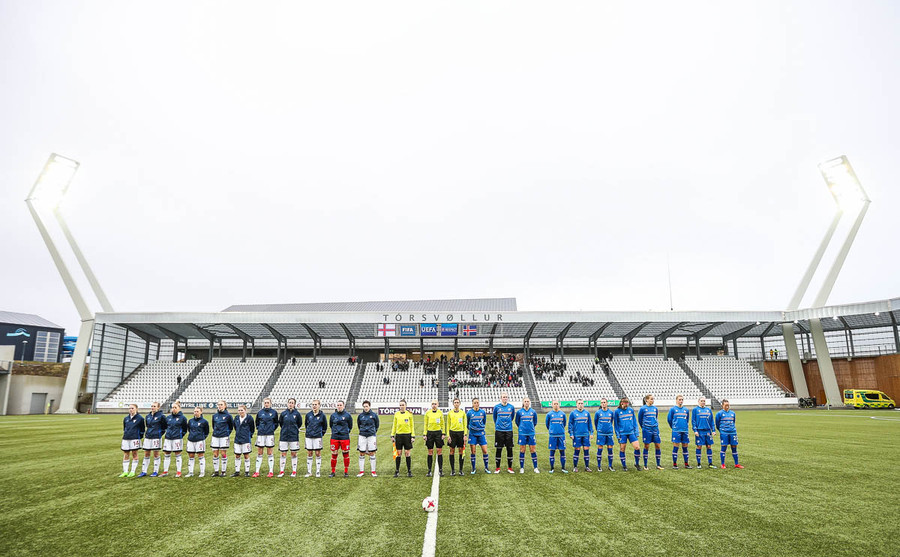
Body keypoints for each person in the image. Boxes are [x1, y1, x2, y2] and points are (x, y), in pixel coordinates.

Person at [161, 401, 188, 477]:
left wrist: (180, 435)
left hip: (177, 439)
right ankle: (165, 471)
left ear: (179, 408)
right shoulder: (168, 418)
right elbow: (165, 427)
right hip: (168, 438)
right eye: (172, 407)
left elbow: (185, 429)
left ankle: (178, 472)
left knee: (178, 454)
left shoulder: (183, 418)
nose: (173, 409)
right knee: (166, 454)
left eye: (175, 407)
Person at [613, 397, 641, 471]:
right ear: (621, 403)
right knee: (622, 448)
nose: (627, 404)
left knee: (637, 447)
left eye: (627, 403)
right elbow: (616, 424)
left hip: (631, 432)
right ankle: (624, 465)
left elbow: (634, 421)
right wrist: (618, 435)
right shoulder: (617, 411)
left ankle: (637, 463)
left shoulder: (630, 410)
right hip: (622, 433)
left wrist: (636, 431)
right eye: (625, 403)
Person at [139, 401, 166, 477]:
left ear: (158, 407)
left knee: (156, 454)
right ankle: (144, 471)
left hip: (156, 437)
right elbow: (147, 426)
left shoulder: (162, 416)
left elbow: (164, 427)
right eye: (152, 406)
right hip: (148, 437)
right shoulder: (148, 416)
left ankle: (155, 471)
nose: (152, 408)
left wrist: (159, 433)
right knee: (146, 453)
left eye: (154, 406)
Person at [254, 398, 279, 478]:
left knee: (270, 452)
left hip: (269, 434)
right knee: (259, 452)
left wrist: (272, 429)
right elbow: (257, 422)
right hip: (261, 434)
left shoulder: (274, 412)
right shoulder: (260, 412)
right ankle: (257, 471)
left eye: (268, 402)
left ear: (270, 403)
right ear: (263, 403)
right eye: (265, 403)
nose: (266, 404)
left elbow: (276, 423)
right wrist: (260, 428)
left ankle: (271, 471)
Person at [278, 398, 303, 477]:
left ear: (294, 404)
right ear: (287, 404)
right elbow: (281, 423)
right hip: (284, 436)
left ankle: (294, 471)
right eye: (289, 402)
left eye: (292, 403)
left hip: (293, 436)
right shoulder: (283, 413)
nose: (290, 404)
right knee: (283, 453)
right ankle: (281, 471)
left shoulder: (297, 414)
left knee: (294, 453)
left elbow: (299, 423)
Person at [390, 399, 416, 477]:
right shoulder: (396, 414)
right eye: (400, 405)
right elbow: (394, 425)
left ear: (406, 405)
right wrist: (392, 435)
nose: (401, 406)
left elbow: (412, 425)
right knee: (399, 453)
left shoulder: (409, 414)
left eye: (403, 405)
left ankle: (409, 471)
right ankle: (397, 471)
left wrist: (413, 436)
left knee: (407, 453)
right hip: (399, 436)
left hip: (407, 435)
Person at [638, 394, 663, 470]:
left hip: (655, 429)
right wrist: (644, 427)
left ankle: (658, 464)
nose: (653, 400)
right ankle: (645, 465)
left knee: (658, 445)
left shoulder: (655, 408)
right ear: (647, 400)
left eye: (653, 399)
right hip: (646, 430)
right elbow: (640, 419)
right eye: (651, 399)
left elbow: (656, 417)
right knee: (646, 446)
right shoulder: (642, 409)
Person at [328, 400, 353, 478]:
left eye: (340, 405)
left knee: (345, 453)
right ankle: (333, 471)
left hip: (344, 437)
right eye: (338, 405)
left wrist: (345, 432)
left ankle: (346, 471)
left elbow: (350, 426)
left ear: (343, 406)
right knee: (334, 453)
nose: (339, 407)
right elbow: (331, 425)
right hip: (335, 437)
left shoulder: (348, 415)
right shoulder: (333, 415)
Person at [568, 399, 594, 472]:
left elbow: (590, 423)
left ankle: (587, 467)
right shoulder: (573, 413)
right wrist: (571, 433)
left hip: (586, 435)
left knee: (586, 450)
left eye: (582, 403)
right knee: (577, 450)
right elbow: (570, 424)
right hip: (577, 435)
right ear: (576, 404)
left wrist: (591, 433)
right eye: (579, 403)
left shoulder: (587, 413)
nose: (580, 405)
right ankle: (575, 467)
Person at [466, 398, 491, 474]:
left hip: (481, 434)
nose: (476, 404)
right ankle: (473, 468)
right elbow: (467, 423)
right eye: (475, 403)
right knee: (473, 451)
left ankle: (486, 467)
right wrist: (472, 429)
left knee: (485, 451)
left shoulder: (482, 412)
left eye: (477, 402)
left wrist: (480, 428)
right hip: (472, 434)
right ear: (472, 404)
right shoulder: (469, 413)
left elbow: (484, 422)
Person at [210, 400, 234, 477]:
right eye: (218, 404)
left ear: (225, 406)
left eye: (221, 404)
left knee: (223, 454)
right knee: (215, 454)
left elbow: (231, 427)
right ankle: (216, 471)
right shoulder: (214, 416)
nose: (219, 406)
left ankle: (223, 471)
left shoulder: (228, 416)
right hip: (215, 436)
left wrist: (226, 433)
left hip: (224, 437)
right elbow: (213, 426)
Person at [715, 400, 742, 469]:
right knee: (724, 447)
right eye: (725, 405)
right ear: (722, 405)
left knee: (734, 447)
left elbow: (733, 422)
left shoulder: (733, 413)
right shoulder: (719, 413)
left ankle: (736, 464)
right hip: (724, 433)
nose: (727, 406)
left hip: (733, 432)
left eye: (728, 405)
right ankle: (722, 464)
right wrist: (721, 430)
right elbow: (717, 424)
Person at [515, 397, 539, 473]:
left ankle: (535, 468)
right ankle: (522, 468)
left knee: (533, 450)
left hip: (531, 433)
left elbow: (535, 422)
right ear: (523, 402)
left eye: (528, 401)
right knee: (522, 450)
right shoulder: (519, 412)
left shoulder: (533, 412)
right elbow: (517, 422)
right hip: (522, 433)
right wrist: (522, 428)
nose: (526, 403)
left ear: (529, 402)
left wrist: (530, 428)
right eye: (525, 401)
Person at [667, 394, 692, 469]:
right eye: (679, 399)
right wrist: (673, 427)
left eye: (682, 400)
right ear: (676, 400)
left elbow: (687, 420)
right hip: (676, 431)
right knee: (676, 447)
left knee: (685, 447)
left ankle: (686, 464)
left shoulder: (686, 410)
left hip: (685, 431)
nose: (681, 401)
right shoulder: (673, 409)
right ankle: (674, 464)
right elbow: (669, 419)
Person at [691, 396, 717, 468]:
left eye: (704, 401)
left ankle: (710, 463)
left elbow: (711, 421)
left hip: (708, 431)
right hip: (699, 431)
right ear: (698, 401)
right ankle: (699, 464)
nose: (703, 402)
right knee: (699, 446)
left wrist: (713, 430)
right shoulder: (695, 410)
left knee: (709, 446)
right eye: (701, 401)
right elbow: (693, 421)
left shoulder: (708, 410)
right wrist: (695, 430)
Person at [423, 399, 447, 477]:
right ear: (431, 405)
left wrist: (443, 433)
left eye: (435, 404)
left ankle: (440, 470)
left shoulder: (440, 413)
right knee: (430, 452)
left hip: (438, 433)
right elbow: (425, 424)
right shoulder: (427, 413)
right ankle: (429, 470)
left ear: (438, 405)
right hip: (430, 433)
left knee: (439, 451)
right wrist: (424, 434)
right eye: (433, 404)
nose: (434, 405)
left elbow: (443, 424)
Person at [493, 392, 516, 474]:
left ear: (508, 398)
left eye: (506, 397)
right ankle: (497, 468)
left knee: (509, 449)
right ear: (501, 398)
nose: (505, 398)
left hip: (509, 430)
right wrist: (498, 425)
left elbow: (512, 417)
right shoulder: (496, 407)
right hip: (499, 431)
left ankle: (510, 468)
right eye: (503, 397)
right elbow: (495, 418)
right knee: (499, 449)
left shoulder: (511, 407)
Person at [304, 399, 328, 477]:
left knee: (317, 453)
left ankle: (318, 471)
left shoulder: (322, 415)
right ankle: (309, 471)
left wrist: (320, 434)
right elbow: (306, 425)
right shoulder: (308, 415)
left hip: (317, 437)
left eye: (316, 404)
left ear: (319, 405)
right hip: (309, 436)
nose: (314, 406)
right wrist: (309, 432)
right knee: (309, 453)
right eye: (313, 404)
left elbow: (325, 426)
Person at [356, 400, 380, 477]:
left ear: (369, 406)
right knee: (361, 453)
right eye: (364, 406)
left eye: (367, 406)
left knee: (372, 453)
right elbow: (359, 425)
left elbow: (377, 425)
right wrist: (362, 431)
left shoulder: (374, 415)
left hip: (371, 436)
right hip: (362, 436)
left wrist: (372, 431)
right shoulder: (360, 416)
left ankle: (373, 471)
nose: (365, 408)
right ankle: (361, 471)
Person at [120, 404, 144, 477]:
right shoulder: (126, 418)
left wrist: (139, 436)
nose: (131, 410)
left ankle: (133, 471)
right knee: (126, 454)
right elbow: (124, 428)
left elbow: (142, 429)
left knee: (134, 454)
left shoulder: (140, 418)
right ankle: (125, 471)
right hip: (126, 438)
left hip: (135, 438)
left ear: (136, 409)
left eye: (132, 408)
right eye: (129, 408)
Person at [232, 404, 255, 477]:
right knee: (237, 455)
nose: (240, 411)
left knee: (246, 455)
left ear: (245, 410)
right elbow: (235, 427)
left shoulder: (249, 418)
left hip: (246, 440)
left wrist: (248, 435)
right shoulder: (236, 418)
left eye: (242, 410)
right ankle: (237, 471)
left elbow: (252, 428)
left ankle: (247, 471)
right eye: (239, 410)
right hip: (237, 439)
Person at [186, 406, 209, 477]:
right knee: (191, 456)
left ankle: (202, 472)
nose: (196, 413)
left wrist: (201, 437)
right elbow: (189, 429)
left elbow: (206, 432)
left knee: (200, 456)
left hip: (200, 441)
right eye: (195, 411)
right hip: (191, 440)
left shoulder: (204, 421)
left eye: (197, 411)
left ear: (201, 412)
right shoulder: (190, 421)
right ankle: (190, 472)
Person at [545, 400, 568, 473]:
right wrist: (552, 430)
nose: (556, 405)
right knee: (552, 451)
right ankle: (552, 468)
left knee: (562, 452)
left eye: (557, 404)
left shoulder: (563, 414)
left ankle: (563, 468)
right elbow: (547, 424)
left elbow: (564, 424)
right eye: (554, 404)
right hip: (553, 436)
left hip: (561, 435)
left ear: (559, 405)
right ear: (552, 405)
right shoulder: (549, 414)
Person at [593, 398, 616, 471]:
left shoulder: (611, 412)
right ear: (600, 404)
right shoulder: (598, 412)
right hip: (601, 433)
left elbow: (612, 421)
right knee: (600, 449)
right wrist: (599, 429)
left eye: (604, 402)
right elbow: (595, 422)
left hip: (609, 433)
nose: (603, 404)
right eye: (602, 402)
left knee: (610, 449)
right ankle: (599, 466)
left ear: (607, 403)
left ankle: (610, 466)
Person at [446, 397, 466, 476]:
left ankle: (460, 470)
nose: (456, 404)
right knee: (452, 451)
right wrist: (448, 435)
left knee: (461, 451)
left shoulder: (463, 413)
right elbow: (448, 425)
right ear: (453, 404)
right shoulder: (450, 413)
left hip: (460, 433)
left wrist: (465, 435)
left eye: (457, 402)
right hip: (452, 433)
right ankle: (453, 470)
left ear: (459, 404)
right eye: (455, 402)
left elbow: (465, 424)